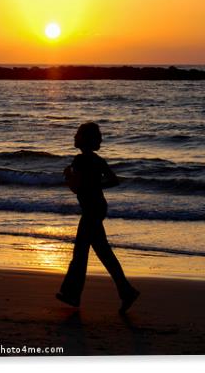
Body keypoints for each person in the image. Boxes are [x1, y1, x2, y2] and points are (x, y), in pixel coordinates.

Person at [56, 122, 140, 314]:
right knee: (103, 253)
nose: (74, 137)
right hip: (99, 207)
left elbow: (76, 188)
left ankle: (72, 294)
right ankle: (126, 291)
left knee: (81, 253)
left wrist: (68, 176)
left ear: (83, 139)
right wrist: (95, 186)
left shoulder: (78, 161)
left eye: (77, 134)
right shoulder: (97, 160)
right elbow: (113, 180)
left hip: (90, 210)